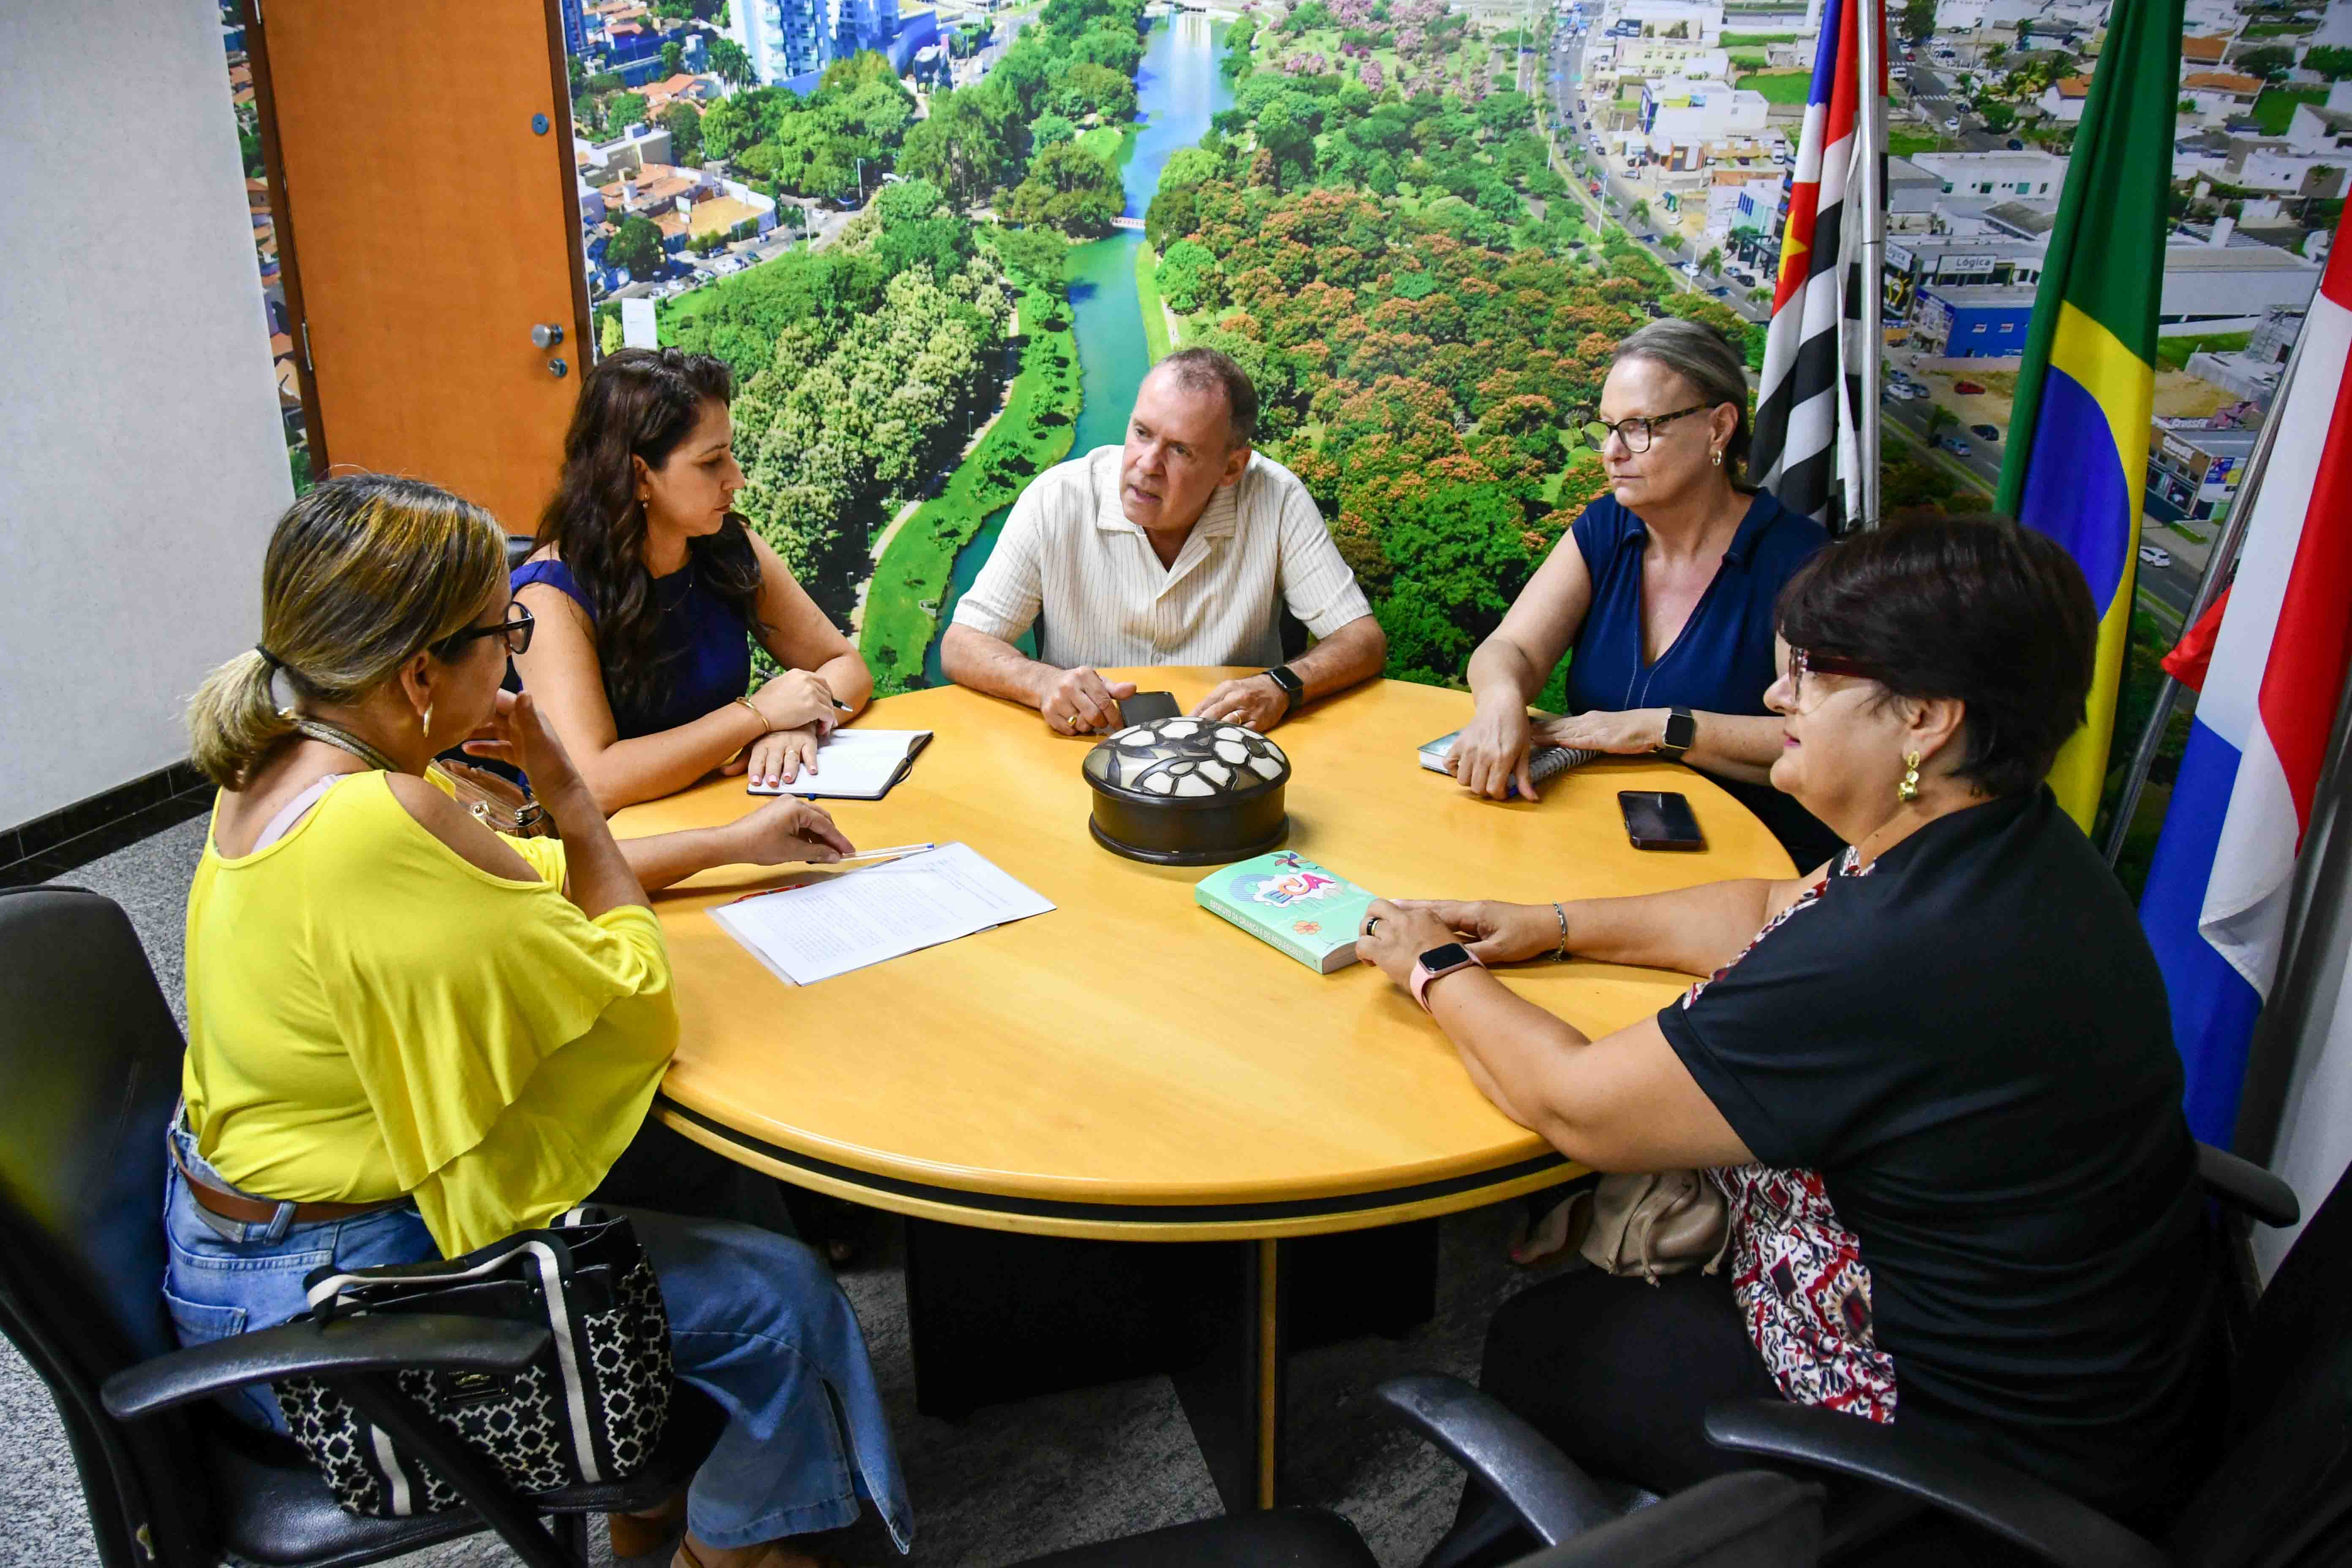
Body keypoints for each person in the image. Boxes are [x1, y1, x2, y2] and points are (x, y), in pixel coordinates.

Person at [1354, 516, 2219, 1557]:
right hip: (2119, 1373)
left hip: (1963, 1454)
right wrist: (1549, 925)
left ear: (1925, 720)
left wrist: (1428, 966)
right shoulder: (1999, 837)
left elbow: (1574, 1104)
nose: (1775, 699)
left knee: (1546, 1336)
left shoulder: (1897, 952)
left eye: (1811, 676)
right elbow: (1773, 903)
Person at [171, 475, 907, 1568]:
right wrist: (569, 789)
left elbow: (523, 878)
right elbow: (629, 1000)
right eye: (501, 633)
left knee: (707, 1177)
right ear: (423, 675)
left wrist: (719, 845)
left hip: (253, 1241)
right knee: (777, 1295)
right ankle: (740, 1548)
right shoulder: (379, 823)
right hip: (329, 1311)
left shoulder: (285, 764)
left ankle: (650, 1503)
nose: (514, 657)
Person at [1447, 319, 1840, 868]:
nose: (1611, 452)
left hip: (1751, 863)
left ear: (1718, 428)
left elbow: (1819, 740)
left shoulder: (1797, 559)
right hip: (1601, 843)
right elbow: (1509, 649)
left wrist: (1655, 727)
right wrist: (1499, 700)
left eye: (1639, 428)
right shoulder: (1606, 527)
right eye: (1608, 428)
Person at [941, 347, 1387, 735]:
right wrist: (1040, 684)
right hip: (1083, 748)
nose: (1147, 464)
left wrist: (1281, 686)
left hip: (1229, 754)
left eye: (1180, 450)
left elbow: (1362, 639)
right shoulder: (1056, 499)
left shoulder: (1278, 498)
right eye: (1142, 433)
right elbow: (962, 644)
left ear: (1231, 468)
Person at [513, 347, 874, 812]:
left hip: (717, 815)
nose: (737, 479)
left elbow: (845, 665)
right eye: (712, 462)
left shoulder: (726, 543)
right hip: (615, 852)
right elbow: (591, 781)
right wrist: (756, 717)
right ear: (639, 475)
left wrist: (800, 724)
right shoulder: (550, 597)